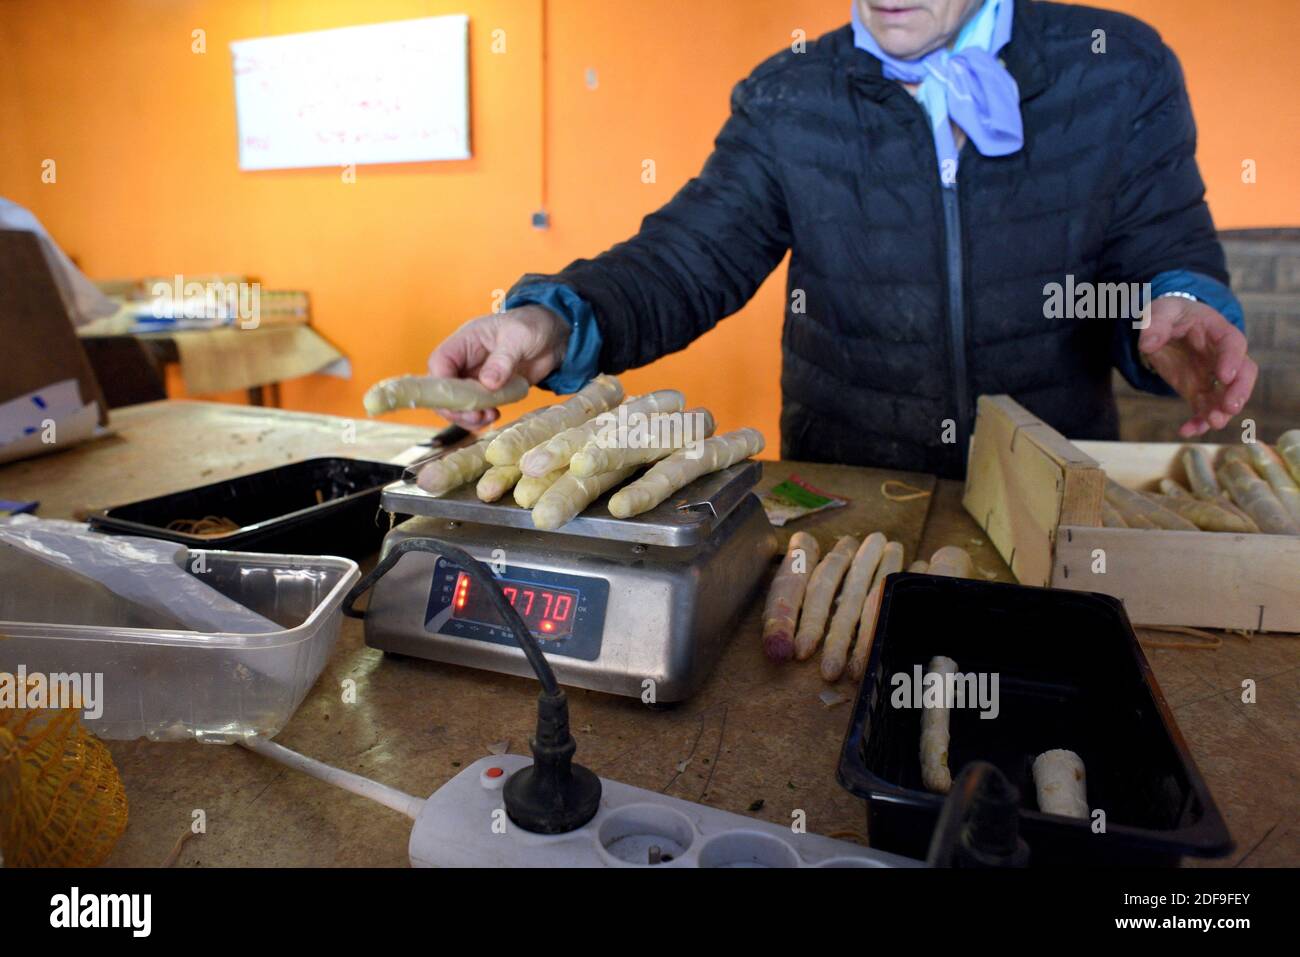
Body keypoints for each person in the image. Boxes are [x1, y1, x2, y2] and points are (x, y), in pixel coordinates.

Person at [427, 0, 1256, 478]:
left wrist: (1175, 307)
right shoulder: (789, 96)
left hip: (1053, 487)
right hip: (849, 498)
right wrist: (554, 322)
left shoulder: (1118, 68)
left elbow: (1161, 245)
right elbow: (686, 260)